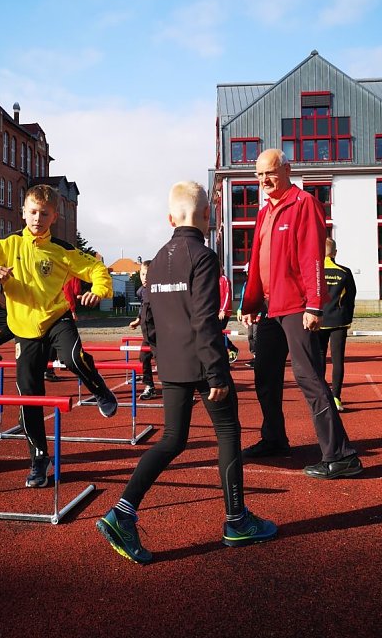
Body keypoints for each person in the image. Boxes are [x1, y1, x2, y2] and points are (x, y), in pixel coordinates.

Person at [96, 181, 277, 564]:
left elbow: (147, 317)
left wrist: (163, 354)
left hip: (173, 363)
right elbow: (204, 319)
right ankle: (236, 520)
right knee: (228, 432)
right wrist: (215, 372)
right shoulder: (204, 256)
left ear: (170, 217)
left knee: (172, 440)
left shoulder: (158, 258)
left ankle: (122, 511)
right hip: (201, 361)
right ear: (208, 218)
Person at [0, 184, 118, 488]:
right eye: (32, 212)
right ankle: (39, 458)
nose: (37, 218)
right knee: (29, 396)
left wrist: (99, 290)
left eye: (44, 214)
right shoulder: (5, 245)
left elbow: (96, 269)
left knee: (74, 357)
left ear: (53, 217)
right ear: (23, 213)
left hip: (56, 318)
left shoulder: (60, 249)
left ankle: (100, 389)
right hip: (24, 329)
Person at [239, 149, 362, 480]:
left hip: (296, 306)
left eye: (270, 172)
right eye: (259, 175)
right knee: (265, 377)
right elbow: (257, 262)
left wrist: (314, 304)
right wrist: (249, 304)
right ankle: (275, 439)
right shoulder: (264, 212)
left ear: (287, 169)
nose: (264, 180)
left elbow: (312, 257)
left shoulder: (304, 203)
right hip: (268, 307)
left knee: (308, 377)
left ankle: (340, 455)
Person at [318, 238, 356, 412]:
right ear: (335, 252)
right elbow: (351, 298)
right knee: (337, 360)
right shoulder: (345, 272)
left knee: (318, 359)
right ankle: (336, 398)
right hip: (339, 321)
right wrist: (347, 318)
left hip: (318, 320)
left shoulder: (314, 271)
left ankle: (321, 397)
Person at [129, 260, 157, 400]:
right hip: (147, 335)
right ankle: (149, 386)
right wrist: (138, 320)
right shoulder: (141, 291)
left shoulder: (158, 290)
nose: (145, 277)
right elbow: (142, 308)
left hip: (159, 335)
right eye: (143, 274)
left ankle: (179, 388)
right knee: (144, 358)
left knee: (163, 362)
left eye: (148, 274)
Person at [236, 263, 257, 369]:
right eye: (247, 272)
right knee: (250, 336)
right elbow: (244, 298)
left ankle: (258, 357)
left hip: (258, 314)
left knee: (256, 334)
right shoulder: (245, 284)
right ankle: (254, 355)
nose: (248, 273)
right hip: (248, 314)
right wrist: (240, 309)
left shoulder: (258, 283)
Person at [218, 264, 239, 363]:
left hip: (224, 313)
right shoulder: (212, 280)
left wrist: (223, 310)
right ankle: (231, 349)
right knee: (216, 333)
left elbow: (227, 295)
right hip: (215, 312)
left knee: (218, 332)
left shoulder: (224, 279)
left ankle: (231, 349)